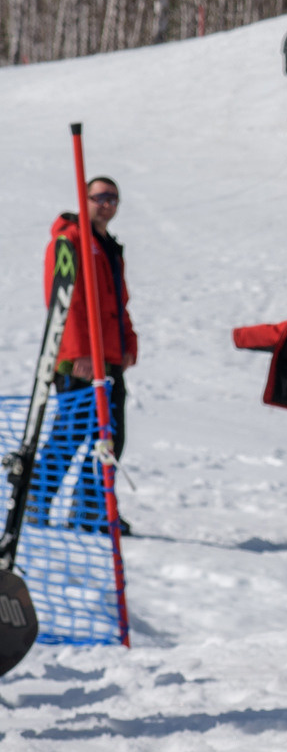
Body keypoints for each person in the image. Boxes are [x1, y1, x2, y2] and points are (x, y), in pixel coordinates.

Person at [41, 177, 139, 532]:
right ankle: (36, 502)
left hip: (110, 356)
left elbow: (119, 302)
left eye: (113, 198)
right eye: (100, 197)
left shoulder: (108, 245)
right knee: (70, 434)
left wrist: (129, 344)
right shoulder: (71, 239)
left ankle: (91, 507)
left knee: (110, 437)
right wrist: (78, 351)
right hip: (81, 359)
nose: (107, 204)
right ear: (85, 199)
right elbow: (65, 298)